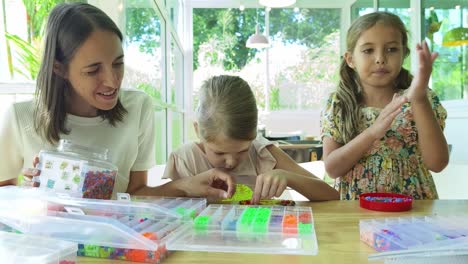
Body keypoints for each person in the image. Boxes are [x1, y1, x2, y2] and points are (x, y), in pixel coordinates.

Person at [0, 3, 235, 200]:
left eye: (118, 63)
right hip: (52, 248)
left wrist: (186, 186)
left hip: (114, 245)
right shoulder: (21, 118)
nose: (112, 82)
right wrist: (29, 196)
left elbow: (136, 193)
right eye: (93, 71)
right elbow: (6, 203)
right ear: (59, 68)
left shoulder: (138, 107)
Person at [321, 12, 449, 200]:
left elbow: (437, 163)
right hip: (356, 212)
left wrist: (419, 99)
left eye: (391, 49)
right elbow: (332, 168)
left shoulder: (422, 99)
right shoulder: (339, 102)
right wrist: (373, 132)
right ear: (350, 59)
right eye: (368, 50)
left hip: (414, 212)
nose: (380, 58)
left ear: (404, 54)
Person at [163, 75, 339, 203]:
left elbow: (331, 194)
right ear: (198, 131)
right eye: (219, 152)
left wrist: (288, 177)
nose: (231, 162)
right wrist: (184, 186)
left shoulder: (261, 152)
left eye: (242, 151)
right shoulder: (185, 159)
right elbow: (160, 207)